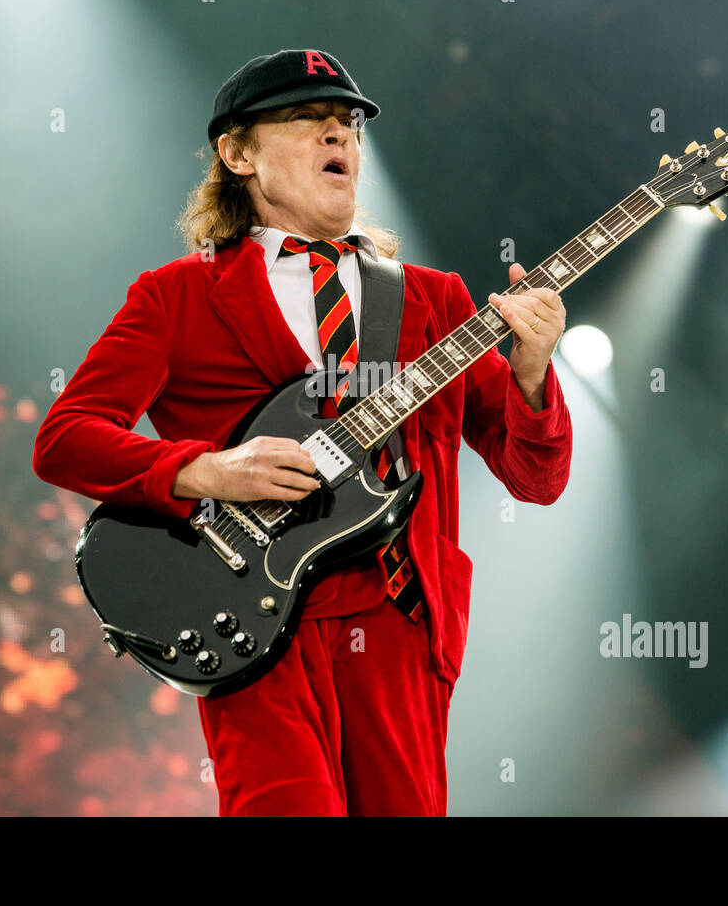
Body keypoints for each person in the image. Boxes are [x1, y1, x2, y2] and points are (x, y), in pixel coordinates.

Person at [32, 48, 573, 816]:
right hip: (253, 624)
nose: (338, 138)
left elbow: (537, 478)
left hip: (396, 623)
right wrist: (210, 470)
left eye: (348, 124)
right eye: (307, 119)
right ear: (237, 151)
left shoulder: (433, 300)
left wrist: (533, 374)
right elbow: (65, 437)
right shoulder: (177, 295)